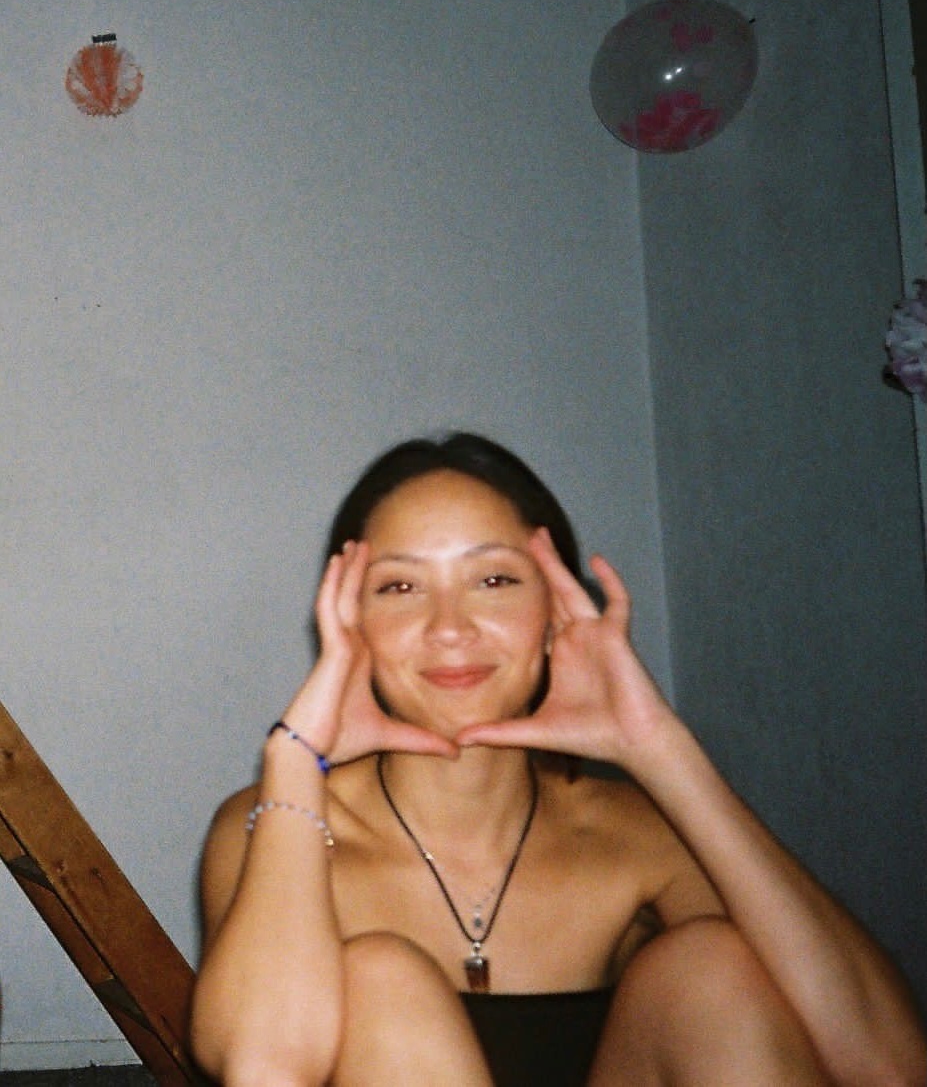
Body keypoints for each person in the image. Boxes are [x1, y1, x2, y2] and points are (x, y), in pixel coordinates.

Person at [190, 432, 926, 1086]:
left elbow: (888, 1067)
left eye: (494, 580)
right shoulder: (273, 826)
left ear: (556, 613)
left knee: (713, 967)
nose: (449, 628)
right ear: (349, 624)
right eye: (401, 586)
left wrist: (659, 747)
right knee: (381, 979)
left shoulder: (638, 834)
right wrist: (295, 761)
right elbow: (263, 1071)